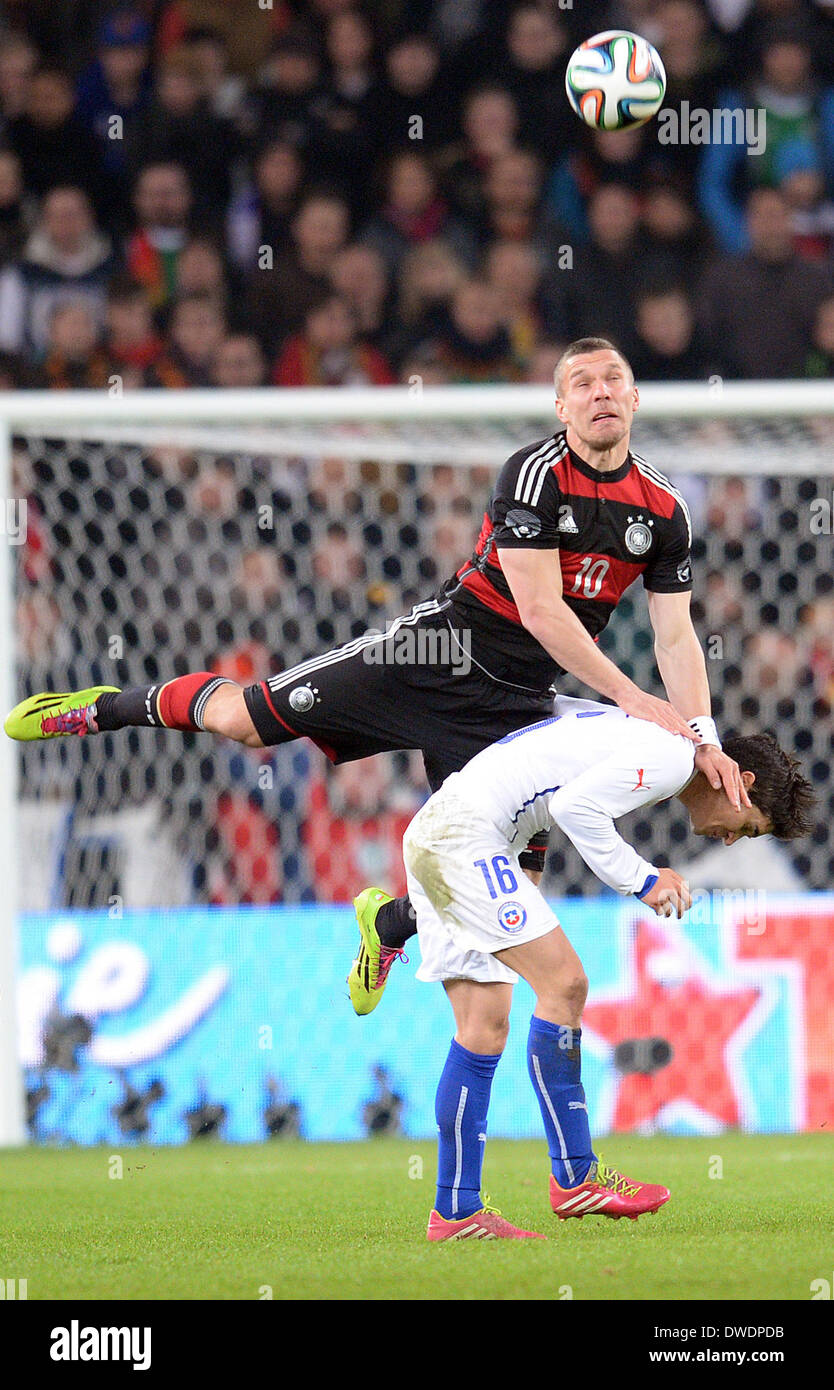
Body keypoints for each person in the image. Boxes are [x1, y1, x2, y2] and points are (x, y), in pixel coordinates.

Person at [4, 338, 747, 1010]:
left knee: (507, 893)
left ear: (636, 397)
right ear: (561, 406)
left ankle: (388, 923)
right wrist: (631, 696)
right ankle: (103, 707)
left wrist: (704, 736)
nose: (600, 391)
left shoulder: (665, 508)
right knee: (244, 722)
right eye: (581, 382)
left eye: (613, 378)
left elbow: (675, 634)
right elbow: (542, 612)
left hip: (514, 711)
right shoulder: (533, 473)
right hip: (433, 656)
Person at [402, 701, 814, 1240]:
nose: (733, 839)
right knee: (565, 985)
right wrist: (643, 880)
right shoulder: (672, 757)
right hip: (468, 838)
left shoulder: (657, 735)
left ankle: (455, 1211)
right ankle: (575, 1177)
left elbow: (565, 717)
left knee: (483, 1026)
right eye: (748, 827)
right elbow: (575, 807)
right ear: (742, 782)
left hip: (450, 831)